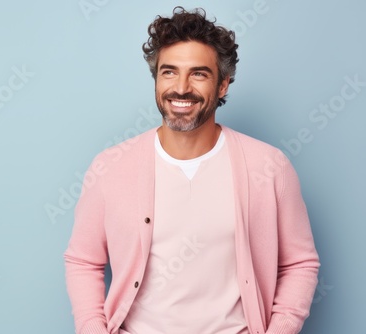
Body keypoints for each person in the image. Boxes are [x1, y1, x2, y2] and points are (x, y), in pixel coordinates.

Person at [64, 6, 319, 334]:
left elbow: (299, 263)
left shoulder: (269, 167)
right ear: (156, 79)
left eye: (199, 73)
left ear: (223, 85)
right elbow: (83, 261)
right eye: (169, 72)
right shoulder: (110, 167)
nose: (181, 88)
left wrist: (280, 329)